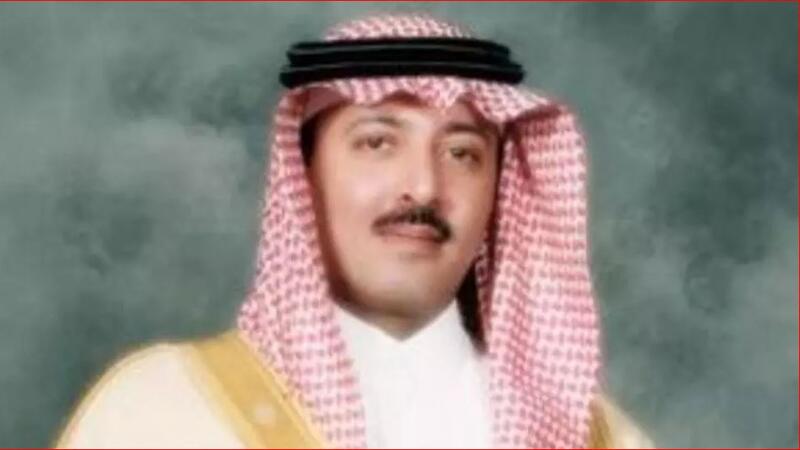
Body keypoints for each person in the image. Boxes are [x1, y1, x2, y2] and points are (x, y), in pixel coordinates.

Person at [56, 14, 653, 448]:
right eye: (377, 143)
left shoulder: (601, 438)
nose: (424, 187)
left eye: (462, 154)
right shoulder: (161, 411)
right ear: (304, 175)